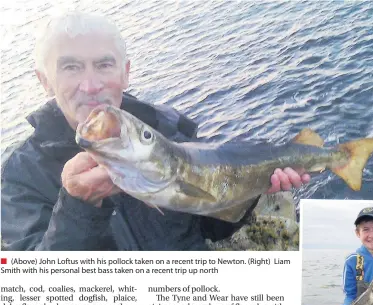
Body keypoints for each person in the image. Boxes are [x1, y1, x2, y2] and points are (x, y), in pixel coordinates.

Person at [1, 11, 310, 252]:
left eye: (104, 65)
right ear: (44, 82)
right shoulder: (19, 176)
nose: (92, 85)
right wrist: (78, 207)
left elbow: (212, 227)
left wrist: (251, 188)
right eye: (70, 67)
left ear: (125, 73)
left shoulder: (168, 128)